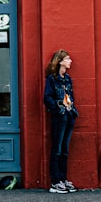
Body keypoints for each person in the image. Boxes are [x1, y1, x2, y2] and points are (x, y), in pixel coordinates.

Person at [43, 49, 78, 194]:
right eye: (68, 59)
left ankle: (63, 179)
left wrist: (71, 107)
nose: (70, 61)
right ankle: (55, 181)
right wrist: (59, 106)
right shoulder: (52, 79)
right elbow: (47, 98)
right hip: (59, 116)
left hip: (69, 115)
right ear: (60, 61)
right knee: (56, 149)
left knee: (64, 150)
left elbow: (71, 95)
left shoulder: (67, 79)